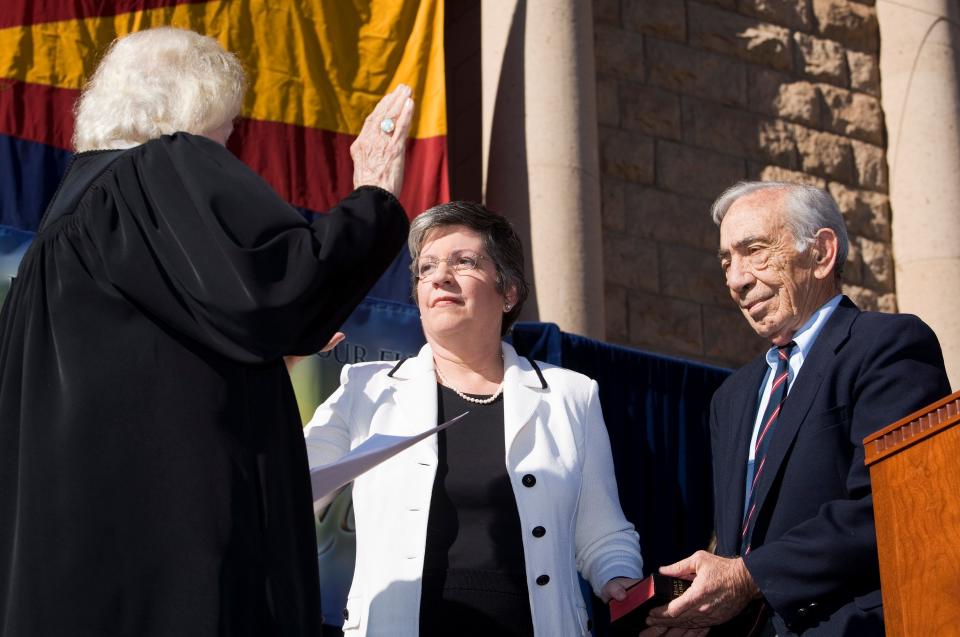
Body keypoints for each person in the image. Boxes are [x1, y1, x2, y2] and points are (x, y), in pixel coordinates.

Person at [0, 27, 415, 637]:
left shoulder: (63, 226)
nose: (230, 144)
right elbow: (283, 288)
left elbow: (167, 362)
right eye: (228, 124)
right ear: (196, 106)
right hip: (174, 568)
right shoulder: (164, 165)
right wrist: (374, 195)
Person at [303, 201, 643, 636]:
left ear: (509, 292)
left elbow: (602, 532)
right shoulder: (366, 389)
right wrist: (281, 367)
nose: (440, 276)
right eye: (426, 268)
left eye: (463, 262)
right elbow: (290, 488)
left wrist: (621, 581)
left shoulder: (571, 395)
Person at [642, 182, 950, 637]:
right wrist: (706, 605)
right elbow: (738, 546)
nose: (736, 279)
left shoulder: (887, 346)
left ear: (822, 253)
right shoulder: (731, 398)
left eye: (754, 251)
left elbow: (893, 509)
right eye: (727, 261)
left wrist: (748, 578)